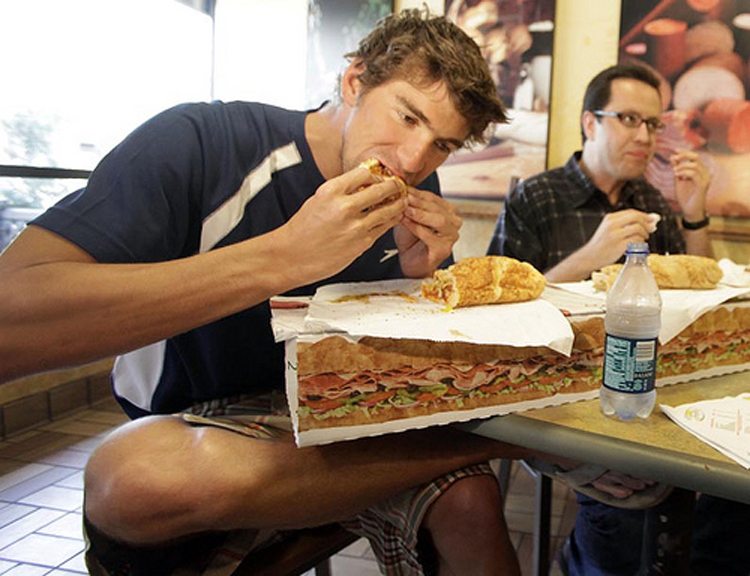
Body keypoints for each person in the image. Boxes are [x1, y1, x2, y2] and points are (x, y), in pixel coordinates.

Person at [0, 8, 584, 576]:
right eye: (407, 117)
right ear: (355, 80)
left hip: (343, 420)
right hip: (202, 421)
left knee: (471, 506)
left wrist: (422, 283)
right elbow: (12, 319)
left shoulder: (410, 180)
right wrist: (283, 256)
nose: (413, 160)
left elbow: (405, 366)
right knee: (134, 480)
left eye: (441, 145)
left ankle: (475, 453)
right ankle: (488, 448)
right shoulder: (204, 141)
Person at [488, 63, 750, 575]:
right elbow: (502, 320)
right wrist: (589, 256)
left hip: (649, 387)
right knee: (629, 495)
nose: (644, 136)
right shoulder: (534, 197)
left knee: (733, 491)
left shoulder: (650, 201)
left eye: (652, 124)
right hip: (558, 395)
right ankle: (583, 562)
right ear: (590, 123)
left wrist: (694, 212)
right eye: (629, 119)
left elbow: (698, 288)